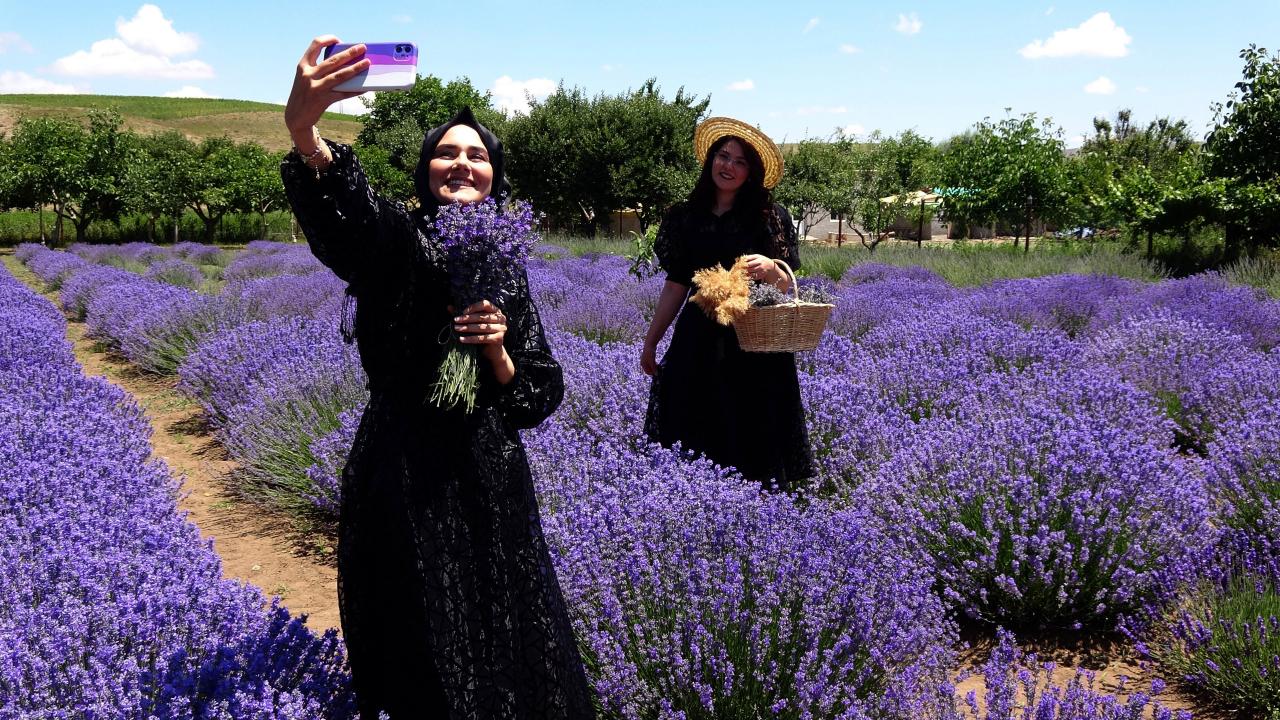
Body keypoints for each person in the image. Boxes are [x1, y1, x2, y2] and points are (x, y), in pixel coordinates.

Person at [280, 37, 596, 719]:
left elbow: (540, 389)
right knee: (414, 625)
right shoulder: (401, 240)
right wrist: (307, 133)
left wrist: (498, 352)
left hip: (487, 472)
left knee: (498, 624)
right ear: (426, 169)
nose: (462, 163)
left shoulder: (505, 263)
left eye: (477, 154)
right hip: (403, 466)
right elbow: (353, 224)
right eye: (447, 152)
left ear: (494, 175)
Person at [641, 117, 815, 491]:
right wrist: (652, 340)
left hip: (752, 338)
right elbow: (675, 285)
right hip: (698, 335)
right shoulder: (683, 217)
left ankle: (752, 507)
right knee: (693, 414)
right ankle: (692, 499)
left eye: (740, 161)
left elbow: (787, 285)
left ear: (751, 172)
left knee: (750, 418)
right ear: (710, 162)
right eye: (723, 156)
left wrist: (771, 270)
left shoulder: (770, 216)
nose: (729, 166)